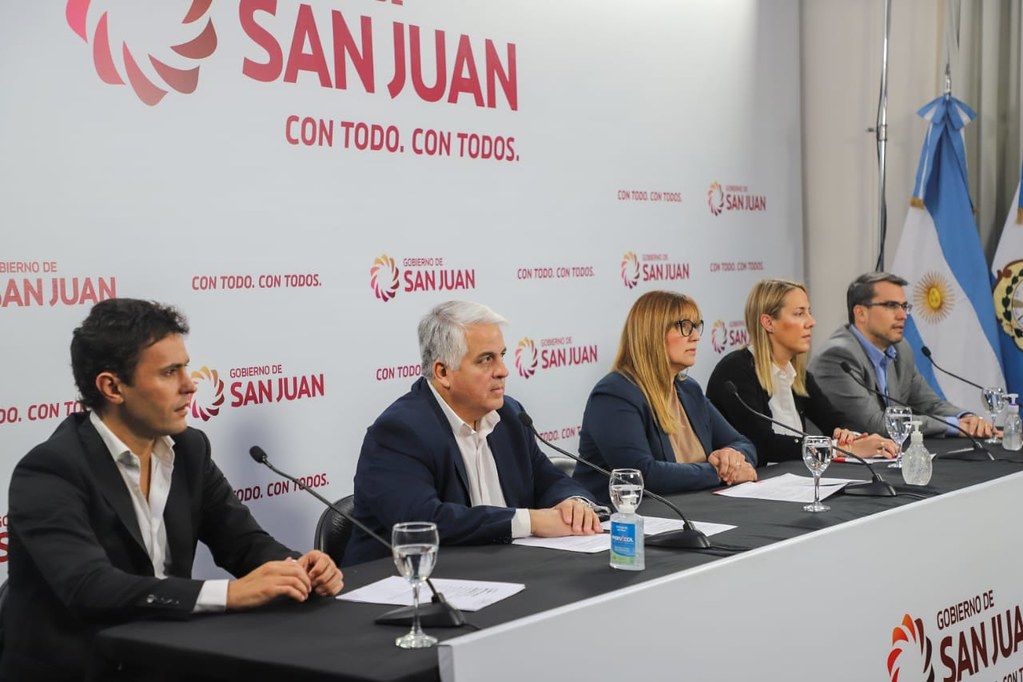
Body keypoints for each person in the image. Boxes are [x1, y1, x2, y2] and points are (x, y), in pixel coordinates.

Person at [1, 299, 343, 682]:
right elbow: (90, 587)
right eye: (169, 372)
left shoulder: (189, 449)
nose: (190, 384)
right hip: (84, 668)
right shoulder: (50, 470)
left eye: (185, 367)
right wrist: (228, 594)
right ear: (112, 387)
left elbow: (243, 543)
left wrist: (298, 567)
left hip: (168, 655)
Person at [345, 301, 602, 566]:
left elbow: (548, 478)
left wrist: (573, 503)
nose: (503, 371)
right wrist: (530, 521)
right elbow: (424, 521)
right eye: (486, 359)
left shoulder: (510, 416)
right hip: (408, 581)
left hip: (503, 570)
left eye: (502, 355)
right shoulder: (400, 432)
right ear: (443, 372)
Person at [572, 291, 757, 505]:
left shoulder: (689, 390)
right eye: (684, 326)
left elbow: (744, 444)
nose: (695, 336)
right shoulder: (614, 394)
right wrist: (717, 472)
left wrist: (731, 455)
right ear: (653, 333)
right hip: (623, 518)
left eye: (696, 326)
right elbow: (643, 475)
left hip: (691, 509)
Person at [707, 279, 897, 466]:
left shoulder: (797, 375)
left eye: (809, 312)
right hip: (753, 482)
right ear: (768, 323)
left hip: (793, 479)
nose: (811, 322)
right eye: (799, 314)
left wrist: (848, 435)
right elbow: (762, 444)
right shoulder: (735, 371)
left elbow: (835, 419)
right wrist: (837, 448)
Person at [809, 272, 994, 438]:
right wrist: (953, 425)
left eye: (904, 306)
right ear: (861, 313)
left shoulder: (900, 349)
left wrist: (965, 418)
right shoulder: (838, 357)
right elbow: (875, 425)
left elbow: (930, 404)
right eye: (891, 306)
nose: (903, 315)